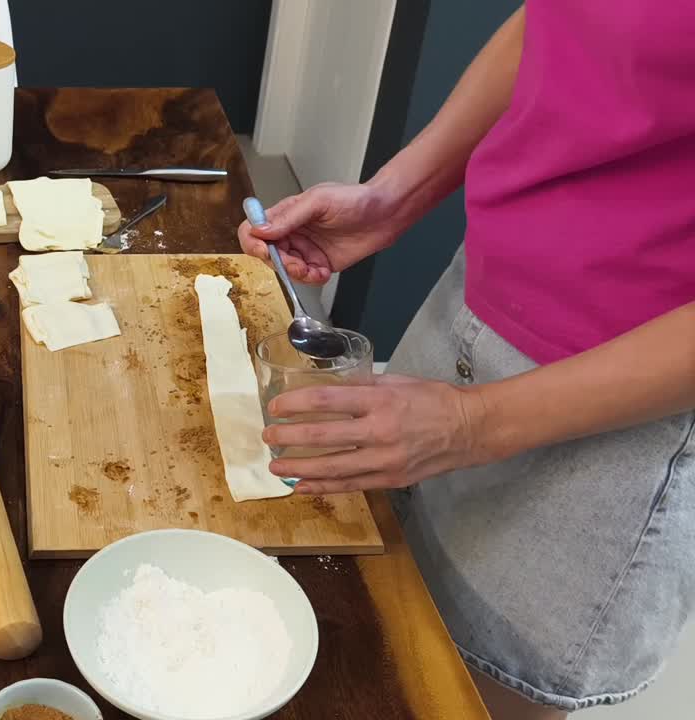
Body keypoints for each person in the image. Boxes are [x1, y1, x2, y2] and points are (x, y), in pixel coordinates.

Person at [237, 4, 694, 719]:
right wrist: (394, 197)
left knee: (447, 696)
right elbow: (554, 20)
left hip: (611, 418)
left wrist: (471, 424)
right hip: (467, 310)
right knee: (373, 628)